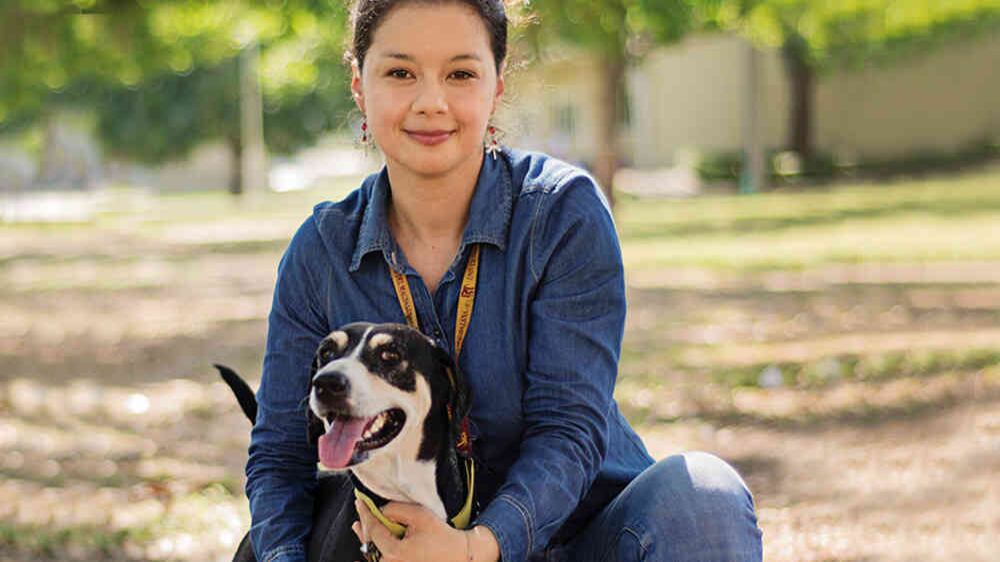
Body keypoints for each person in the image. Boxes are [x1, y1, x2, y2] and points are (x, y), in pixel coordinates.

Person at [245, 1, 764, 561]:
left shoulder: (561, 214)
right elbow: (280, 455)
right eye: (400, 72)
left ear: (496, 87)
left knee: (702, 494)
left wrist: (473, 550)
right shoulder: (321, 251)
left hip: (579, 539)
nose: (431, 102)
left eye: (461, 74)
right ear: (359, 87)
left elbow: (568, 429)